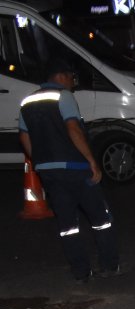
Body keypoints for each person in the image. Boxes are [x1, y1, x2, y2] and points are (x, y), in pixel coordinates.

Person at [17, 57, 121, 283]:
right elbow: (73, 128)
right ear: (61, 76)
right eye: (71, 77)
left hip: (48, 170)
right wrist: (91, 160)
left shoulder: (27, 102)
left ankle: (80, 271)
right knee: (100, 218)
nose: (73, 81)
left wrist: (39, 160)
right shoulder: (63, 96)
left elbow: (24, 136)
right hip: (75, 167)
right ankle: (109, 265)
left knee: (67, 225)